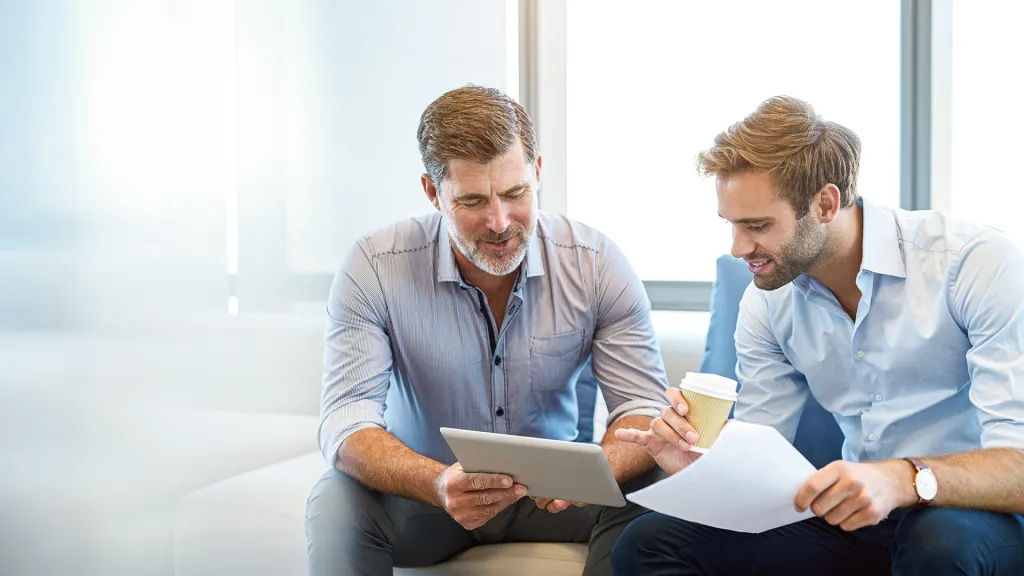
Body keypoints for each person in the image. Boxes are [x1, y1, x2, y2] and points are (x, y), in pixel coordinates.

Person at [612, 96, 1024, 575]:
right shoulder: (768, 300)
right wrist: (696, 465)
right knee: (648, 542)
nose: (739, 248)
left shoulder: (973, 264)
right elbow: (759, 456)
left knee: (938, 541)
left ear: (825, 203)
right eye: (732, 226)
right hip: (861, 519)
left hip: (978, 515)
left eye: (758, 226)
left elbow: (1017, 465)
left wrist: (905, 478)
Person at [304, 85, 668, 576]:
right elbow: (346, 421)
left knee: (657, 483)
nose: (500, 222)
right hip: (431, 496)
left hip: (557, 501)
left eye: (516, 193)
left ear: (537, 172)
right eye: (473, 200)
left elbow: (641, 409)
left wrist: (590, 473)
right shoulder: (374, 266)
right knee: (335, 500)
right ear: (433, 192)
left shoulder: (597, 264)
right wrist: (437, 483)